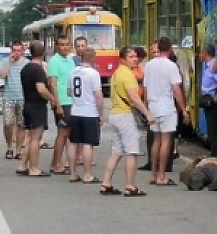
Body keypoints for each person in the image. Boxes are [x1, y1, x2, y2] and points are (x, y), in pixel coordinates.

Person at [100, 47, 154, 196]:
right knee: (132, 152)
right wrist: (147, 113)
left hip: (115, 114)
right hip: (125, 115)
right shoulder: (128, 75)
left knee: (116, 151)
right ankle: (130, 185)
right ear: (122, 59)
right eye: (130, 57)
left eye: (135, 56)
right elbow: (134, 97)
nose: (135, 59)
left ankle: (106, 183)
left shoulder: (117, 73)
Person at [144, 37, 190, 186]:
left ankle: (153, 174)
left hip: (153, 107)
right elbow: (176, 89)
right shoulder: (171, 66)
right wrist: (183, 109)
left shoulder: (149, 65)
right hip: (166, 107)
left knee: (155, 141)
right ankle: (162, 175)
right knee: (166, 141)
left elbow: (145, 88)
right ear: (169, 49)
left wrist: (146, 109)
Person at [16, 41, 57, 177]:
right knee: (36, 139)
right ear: (43, 53)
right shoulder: (38, 70)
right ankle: (34, 168)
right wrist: (52, 98)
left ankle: (22, 165)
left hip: (27, 104)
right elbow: (41, 89)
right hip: (37, 106)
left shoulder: (25, 69)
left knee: (29, 137)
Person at [66, 47, 103, 184]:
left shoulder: (73, 72)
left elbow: (69, 92)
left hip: (75, 111)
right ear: (93, 58)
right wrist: (101, 114)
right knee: (88, 143)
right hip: (89, 112)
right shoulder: (93, 74)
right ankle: (87, 174)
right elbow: (98, 95)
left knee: (73, 143)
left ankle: (73, 173)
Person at [48, 35, 77, 174]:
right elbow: (53, 84)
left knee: (67, 134)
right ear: (57, 46)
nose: (65, 47)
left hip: (71, 101)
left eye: (67, 44)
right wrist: (57, 104)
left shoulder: (70, 61)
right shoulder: (54, 61)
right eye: (62, 44)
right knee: (62, 133)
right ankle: (57, 164)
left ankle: (55, 163)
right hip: (62, 101)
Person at [0, 41, 28, 160]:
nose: (16, 53)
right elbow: (2, 75)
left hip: (22, 97)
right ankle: (9, 147)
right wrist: (9, 64)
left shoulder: (26, 63)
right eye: (14, 50)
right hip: (8, 97)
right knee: (8, 123)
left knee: (21, 124)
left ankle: (19, 150)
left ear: (22, 51)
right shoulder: (6, 61)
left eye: (18, 50)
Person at [199, 44, 217, 155]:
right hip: (207, 100)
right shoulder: (207, 66)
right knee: (211, 129)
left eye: (200, 52)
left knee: (213, 130)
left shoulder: (214, 66)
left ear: (205, 53)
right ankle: (214, 152)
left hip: (213, 102)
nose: (199, 55)